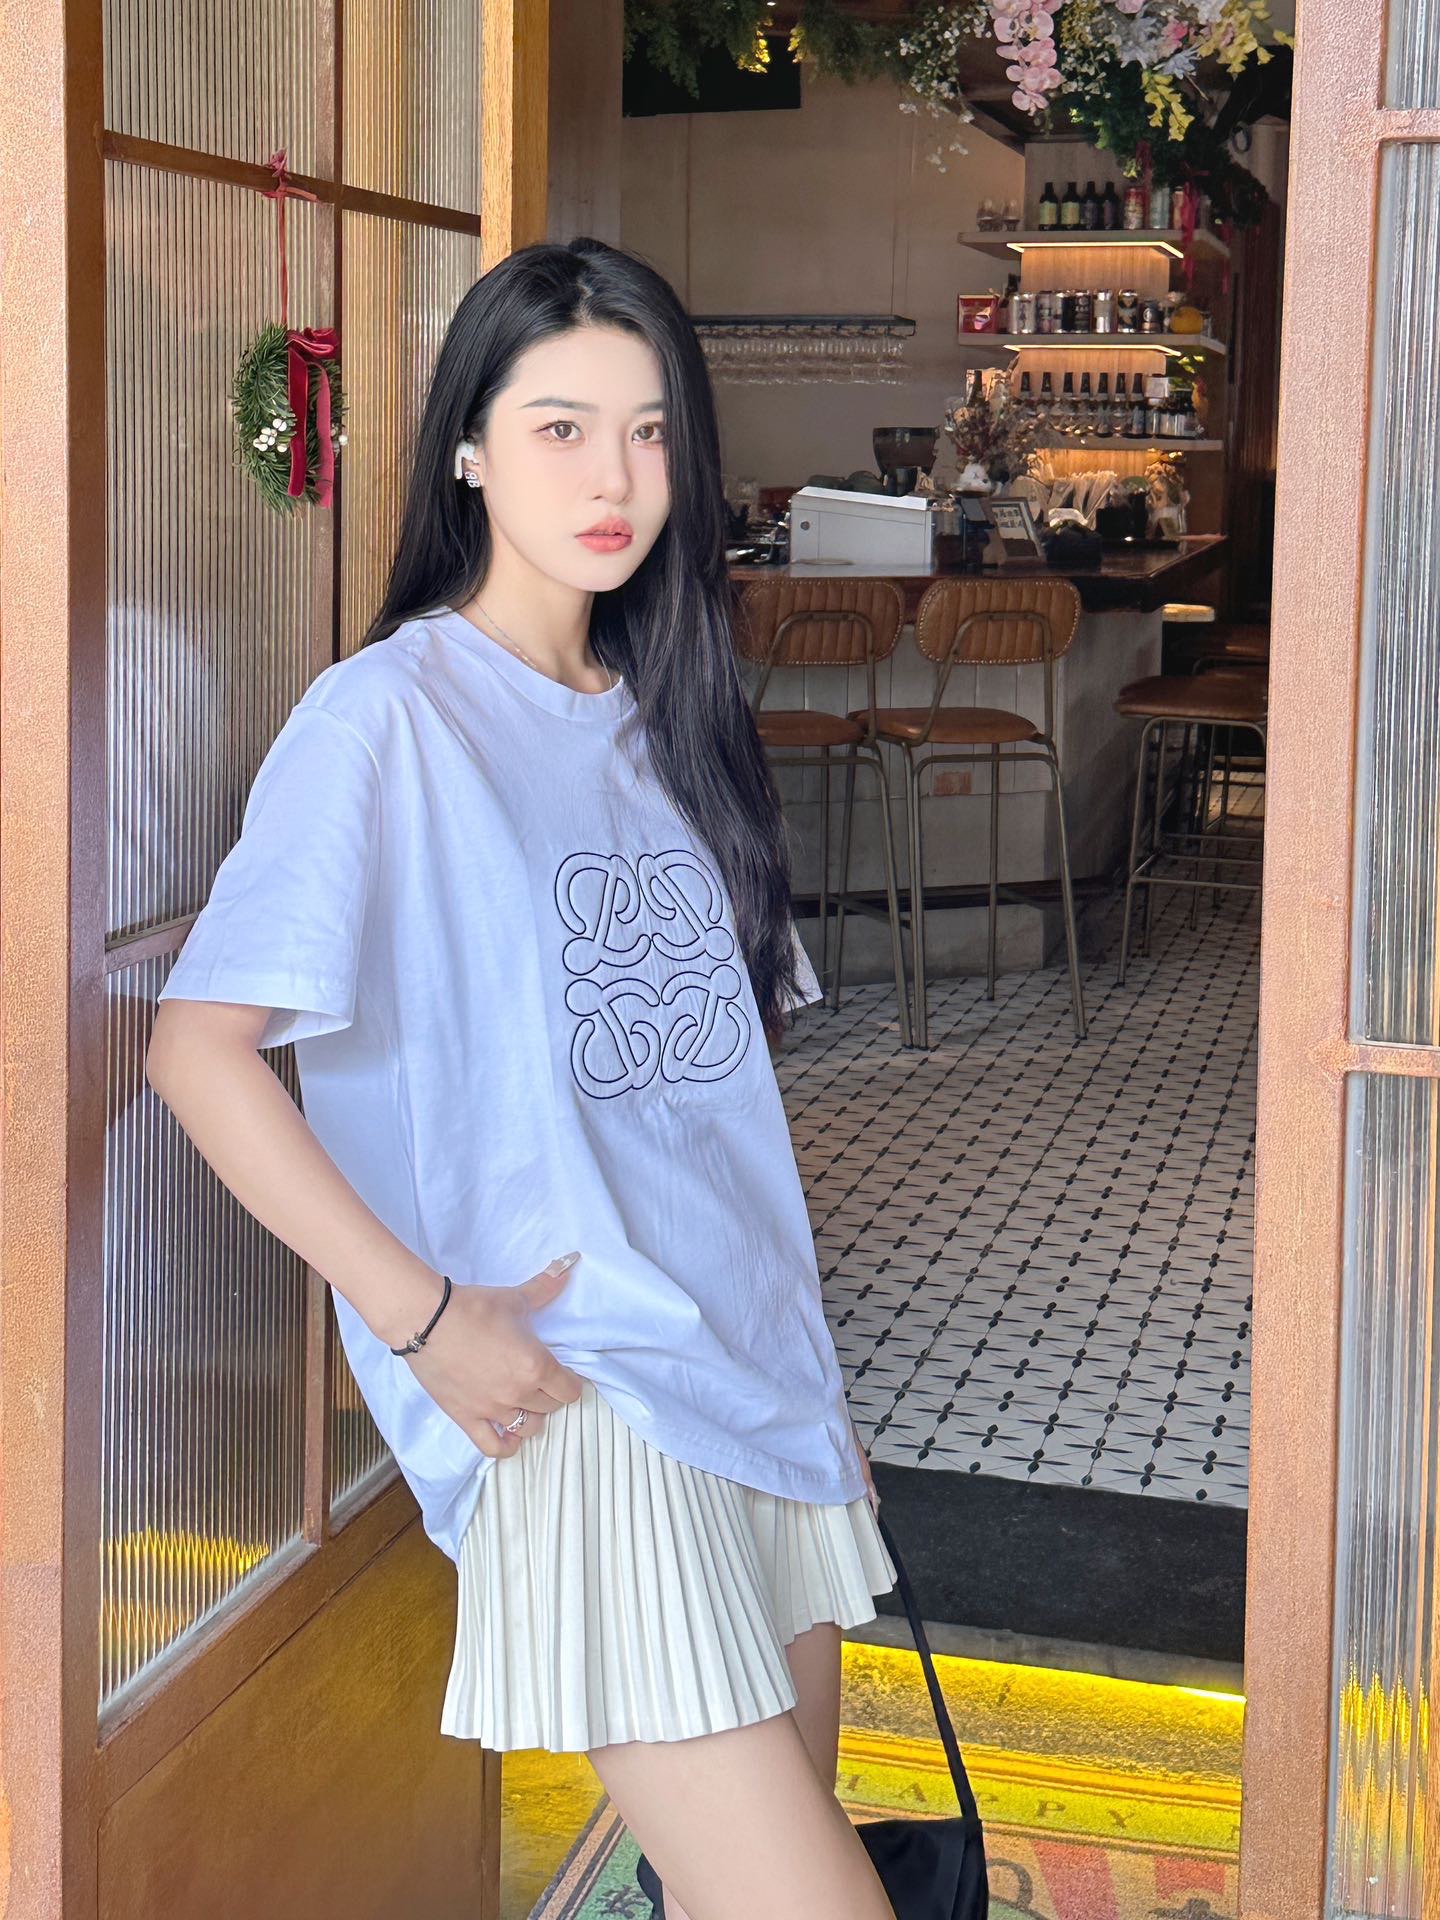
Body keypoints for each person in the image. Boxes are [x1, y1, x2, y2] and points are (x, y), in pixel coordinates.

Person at [144, 235, 900, 1920]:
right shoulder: (385, 721)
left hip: (755, 1383)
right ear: (470, 450)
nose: (613, 477)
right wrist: (422, 1319)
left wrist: (814, 1392)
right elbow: (198, 1052)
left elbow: (713, 1118)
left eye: (649, 431)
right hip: (584, 1402)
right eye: (561, 427)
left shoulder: (677, 718)